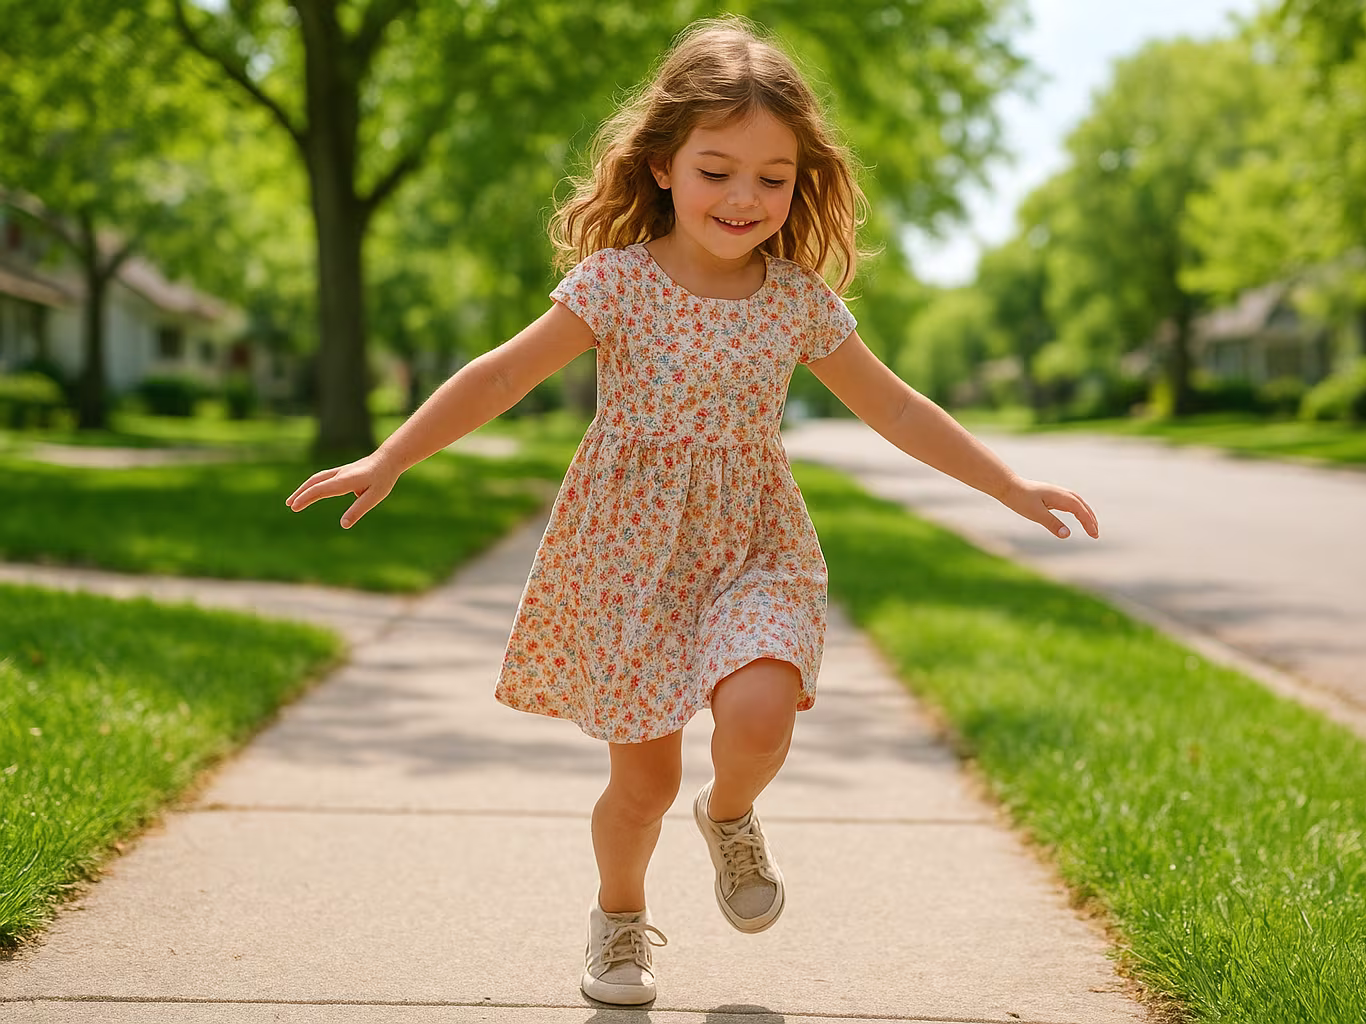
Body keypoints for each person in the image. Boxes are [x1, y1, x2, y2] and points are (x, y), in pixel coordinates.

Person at [286, 15, 1099, 1008]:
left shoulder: (796, 299)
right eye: (718, 170)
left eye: (772, 176)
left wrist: (1010, 485)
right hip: (632, 557)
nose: (744, 197)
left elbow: (892, 405)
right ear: (664, 164)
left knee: (758, 714)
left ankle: (732, 813)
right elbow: (501, 373)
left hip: (755, 544)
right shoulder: (617, 284)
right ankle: (619, 920)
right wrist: (393, 453)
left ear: (801, 182)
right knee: (641, 787)